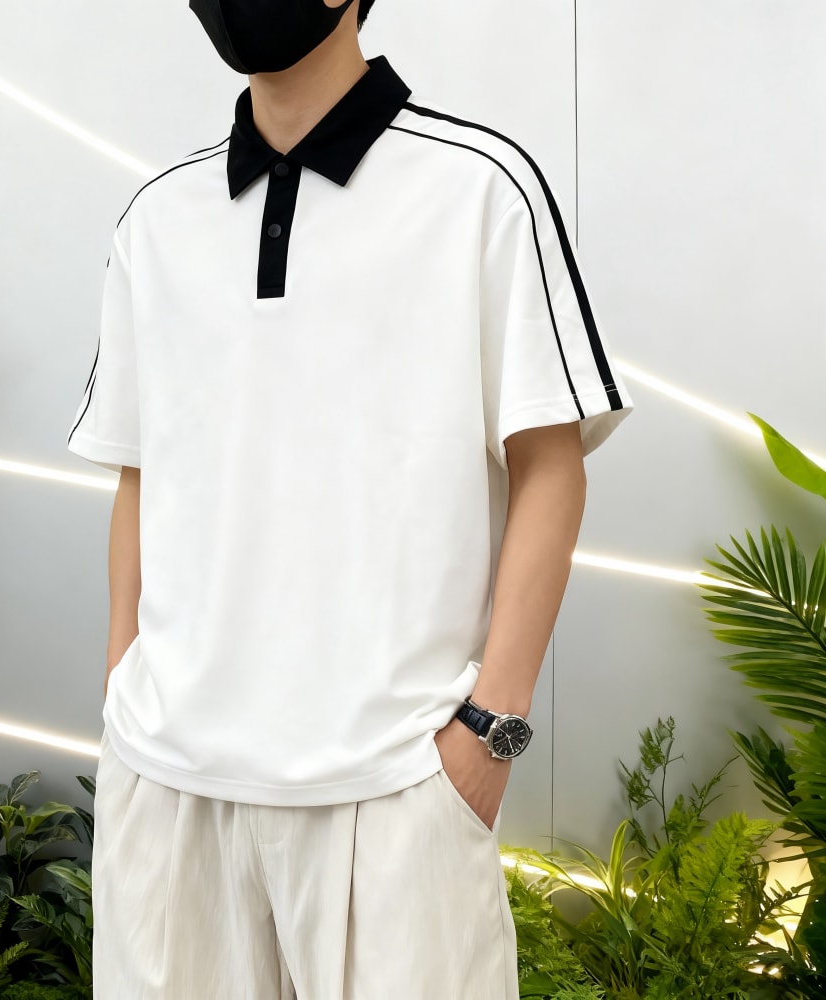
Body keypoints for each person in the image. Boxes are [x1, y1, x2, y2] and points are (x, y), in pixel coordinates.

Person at [66, 1, 634, 996]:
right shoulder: (156, 218)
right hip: (170, 788)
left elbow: (551, 463)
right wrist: (123, 697)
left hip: (395, 786)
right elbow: (141, 470)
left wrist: (489, 733)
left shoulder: (479, 189)